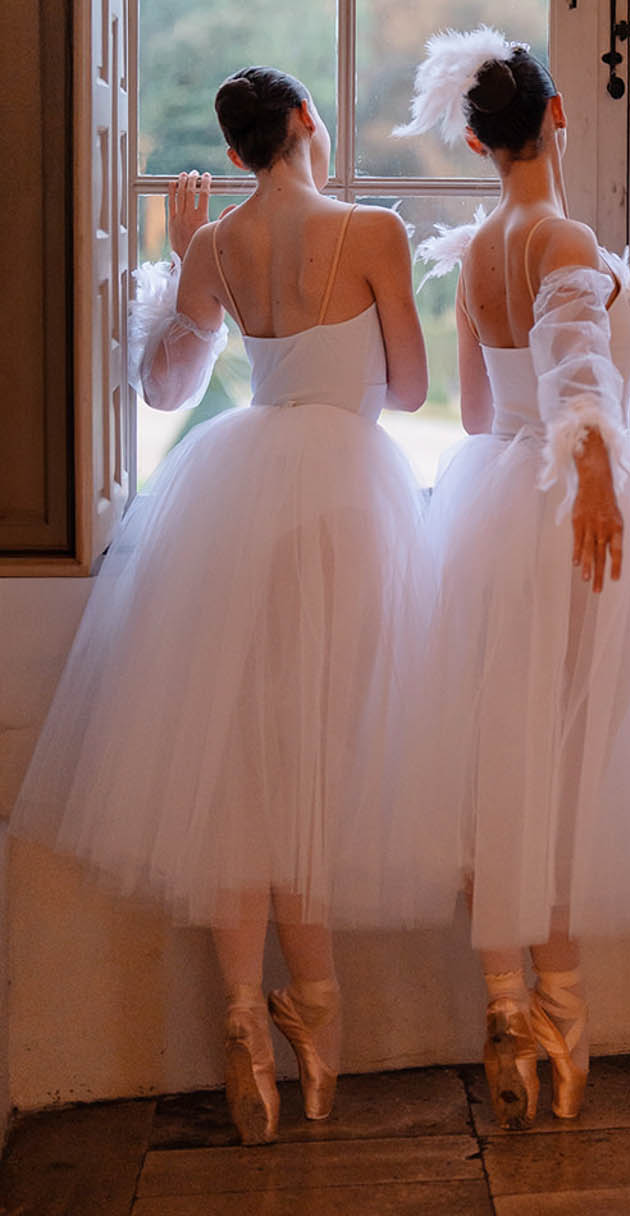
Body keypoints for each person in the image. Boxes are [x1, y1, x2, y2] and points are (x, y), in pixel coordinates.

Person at [12, 68, 432, 1145]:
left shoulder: (213, 246)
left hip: (235, 500)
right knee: (316, 766)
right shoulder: (375, 229)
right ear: (303, 124)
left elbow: (165, 387)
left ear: (237, 151)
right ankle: (318, 1026)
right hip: (344, 503)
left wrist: (179, 254)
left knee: (238, 770)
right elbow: (412, 389)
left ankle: (245, 1022)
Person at [397, 27, 630, 1130]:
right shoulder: (563, 234)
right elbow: (579, 374)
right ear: (558, 117)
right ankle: (565, 1018)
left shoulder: (478, 251)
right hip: (569, 509)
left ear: (477, 142)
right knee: (572, 769)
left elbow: (476, 412)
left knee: (500, 764)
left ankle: (504, 1002)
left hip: (489, 506)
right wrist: (592, 478)